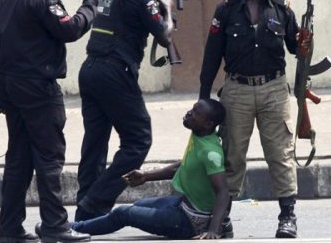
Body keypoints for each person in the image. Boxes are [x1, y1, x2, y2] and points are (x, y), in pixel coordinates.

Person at [0, 0, 98, 243]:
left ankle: (9, 229)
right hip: (38, 88)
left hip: (11, 86)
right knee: (49, 159)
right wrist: (90, 3)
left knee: (18, 161)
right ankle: (55, 226)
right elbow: (70, 29)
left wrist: (1, 92)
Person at [198, 0, 310, 238]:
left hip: (274, 88)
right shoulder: (226, 10)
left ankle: (288, 216)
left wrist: (305, 40)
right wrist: (203, 96)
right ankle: (223, 218)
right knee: (233, 155)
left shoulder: (284, 10)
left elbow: (297, 50)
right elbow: (212, 56)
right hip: (237, 90)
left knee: (281, 154)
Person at [74, 0, 176, 221]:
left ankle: (86, 205)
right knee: (138, 140)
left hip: (91, 69)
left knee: (95, 142)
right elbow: (165, 37)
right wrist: (167, 9)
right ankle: (94, 203)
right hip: (115, 73)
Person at [67, 99, 229, 239]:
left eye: (196, 113)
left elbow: (223, 192)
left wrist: (213, 230)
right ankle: (73, 227)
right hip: (182, 204)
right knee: (138, 205)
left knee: (123, 213)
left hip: (191, 221)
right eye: (192, 108)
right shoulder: (199, 134)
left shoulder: (210, 153)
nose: (189, 113)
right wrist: (146, 176)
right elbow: (182, 166)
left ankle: (70, 228)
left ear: (208, 124)